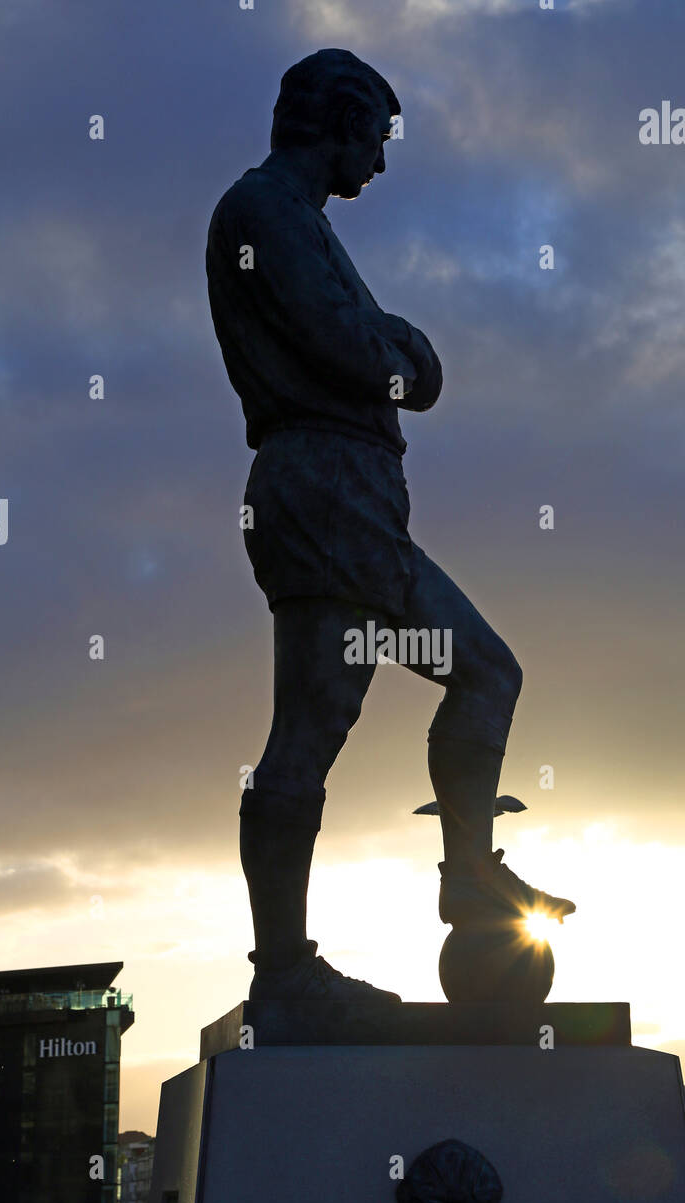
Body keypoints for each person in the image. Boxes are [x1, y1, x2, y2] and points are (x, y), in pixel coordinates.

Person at [206, 50, 575, 1004]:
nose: (380, 158)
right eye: (375, 136)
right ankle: (282, 973)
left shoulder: (301, 222)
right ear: (335, 122)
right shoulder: (263, 216)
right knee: (310, 730)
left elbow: (380, 358)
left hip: (359, 501)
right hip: (322, 491)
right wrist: (406, 345)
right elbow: (361, 353)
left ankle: (467, 872)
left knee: (487, 671)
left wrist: (398, 350)